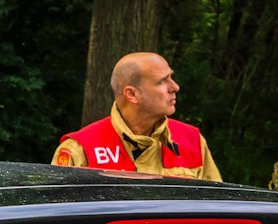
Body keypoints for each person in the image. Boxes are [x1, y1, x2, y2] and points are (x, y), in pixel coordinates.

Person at [52, 53, 222, 182]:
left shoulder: (192, 141)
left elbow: (217, 208)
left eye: (171, 77)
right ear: (132, 94)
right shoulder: (81, 150)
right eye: (162, 81)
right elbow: (58, 217)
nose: (175, 87)